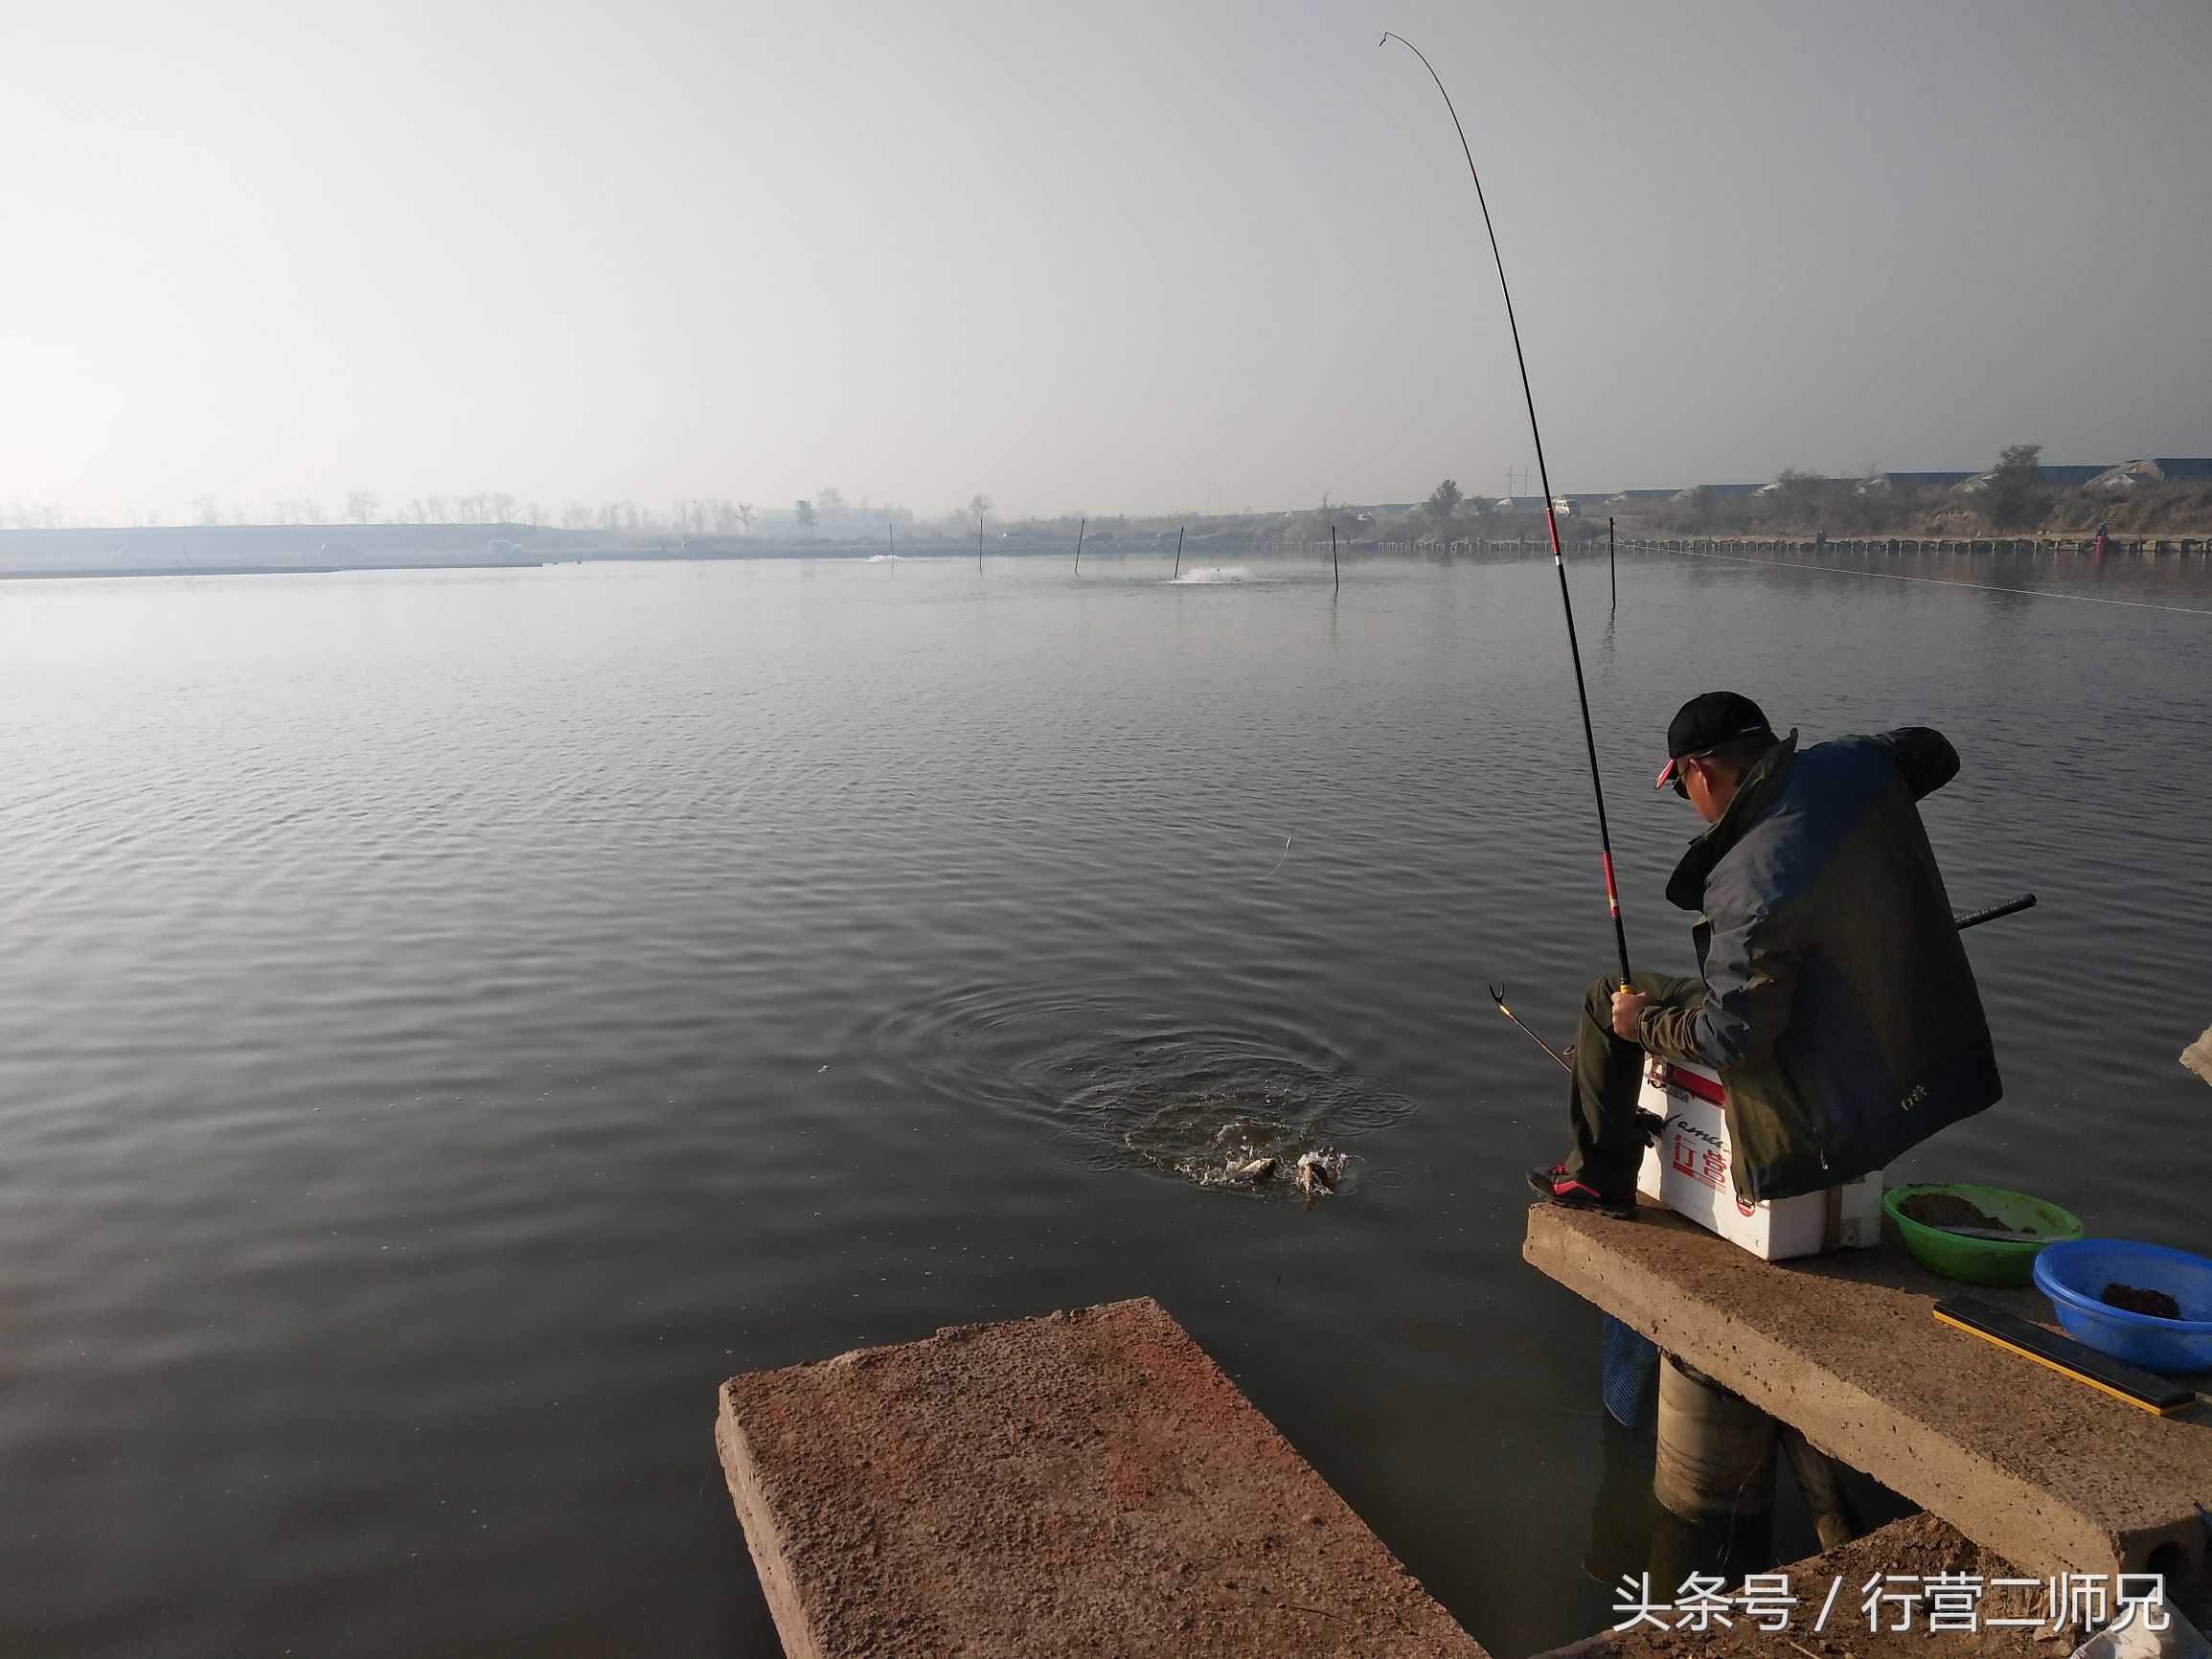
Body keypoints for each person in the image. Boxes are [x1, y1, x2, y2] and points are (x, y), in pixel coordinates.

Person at [1527, 692, 2001, 1216]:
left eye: (1682, 786)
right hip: (1938, 1063)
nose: (1690, 800)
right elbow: (1937, 751)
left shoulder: (1746, 881)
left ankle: (1597, 1182)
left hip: (1827, 1103)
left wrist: (1642, 1023)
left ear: (1702, 772)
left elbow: (1731, 1040)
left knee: (1607, 1001)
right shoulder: (1861, 760)